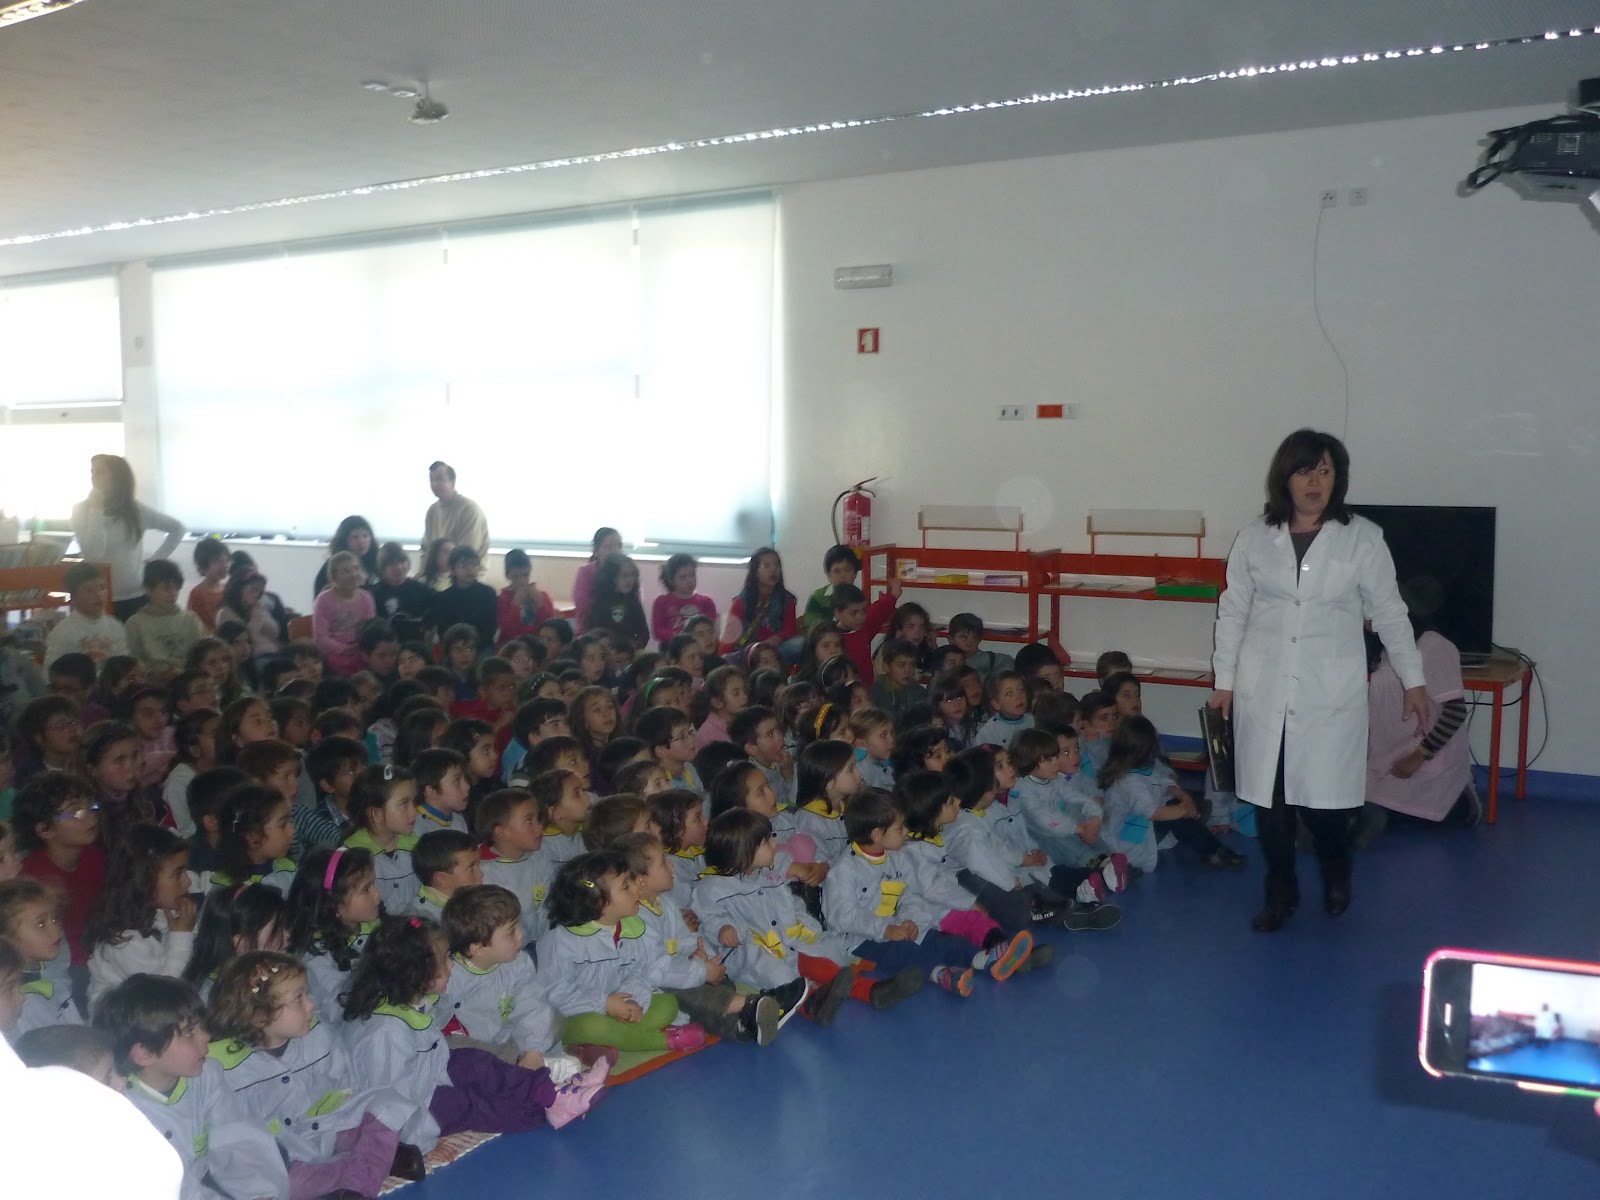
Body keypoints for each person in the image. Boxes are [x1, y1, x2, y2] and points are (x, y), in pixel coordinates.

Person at [1210, 429, 1425, 932]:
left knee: (1325, 808)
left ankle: (1336, 869)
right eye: (1305, 471)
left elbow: (1389, 611)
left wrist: (1413, 680)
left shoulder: (1362, 537)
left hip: (1329, 694)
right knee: (1271, 802)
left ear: (1337, 479)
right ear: (1284, 477)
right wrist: (1225, 680)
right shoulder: (1254, 537)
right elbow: (1234, 609)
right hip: (1264, 689)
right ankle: (1280, 891)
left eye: (1325, 471)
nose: (1315, 482)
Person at [1362, 600, 1476, 832]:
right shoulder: (1370, 647)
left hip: (1424, 762)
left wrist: (1420, 756)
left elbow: (1455, 711)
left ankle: (1463, 802)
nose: (1368, 618)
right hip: (1383, 761)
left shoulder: (1431, 645)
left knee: (1375, 812)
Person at [71, 454, 186, 622]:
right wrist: (96, 509)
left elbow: (178, 528)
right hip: (97, 599)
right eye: (92, 472)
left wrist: (154, 561)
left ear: (117, 477)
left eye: (100, 472)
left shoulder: (136, 510)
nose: (94, 477)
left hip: (136, 596)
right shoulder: (81, 510)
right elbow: (94, 554)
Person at [43, 562, 128, 668]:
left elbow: (125, 665)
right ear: (73, 598)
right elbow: (51, 671)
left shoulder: (116, 626)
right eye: (89, 590)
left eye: (102, 587)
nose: (98, 594)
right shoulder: (62, 632)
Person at [423, 461, 489, 558]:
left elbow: (467, 554)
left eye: (439, 479)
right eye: (432, 480)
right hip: (438, 567)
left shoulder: (469, 509)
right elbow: (426, 549)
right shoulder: (432, 511)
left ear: (452, 482)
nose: (434, 484)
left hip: (466, 566)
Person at [311, 514, 380, 599]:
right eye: (355, 537)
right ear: (344, 540)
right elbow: (320, 598)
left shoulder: (377, 562)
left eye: (365, 536)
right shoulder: (333, 565)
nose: (361, 541)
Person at [572, 527, 623, 633]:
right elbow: (584, 608)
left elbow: (635, 604)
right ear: (596, 551)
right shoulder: (585, 572)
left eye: (619, 546)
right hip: (590, 633)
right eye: (609, 547)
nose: (616, 551)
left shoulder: (627, 572)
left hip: (620, 632)